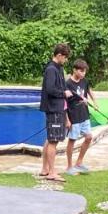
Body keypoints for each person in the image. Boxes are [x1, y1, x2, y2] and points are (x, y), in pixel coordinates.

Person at [39, 43, 71, 181]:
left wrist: (67, 116)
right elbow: (50, 89)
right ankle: (52, 172)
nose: (66, 60)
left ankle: (45, 169)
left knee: (50, 139)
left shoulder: (59, 69)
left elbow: (60, 88)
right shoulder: (51, 69)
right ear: (59, 55)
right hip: (53, 109)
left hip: (58, 108)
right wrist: (64, 93)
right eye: (65, 57)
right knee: (53, 141)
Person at [64, 59, 98, 175]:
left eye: (84, 71)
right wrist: (67, 120)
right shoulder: (67, 84)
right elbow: (64, 103)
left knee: (89, 137)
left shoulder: (84, 81)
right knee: (72, 140)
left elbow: (89, 91)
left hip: (84, 115)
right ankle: (69, 167)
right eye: (81, 71)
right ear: (74, 70)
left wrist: (95, 102)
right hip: (74, 116)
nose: (83, 73)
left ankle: (79, 162)